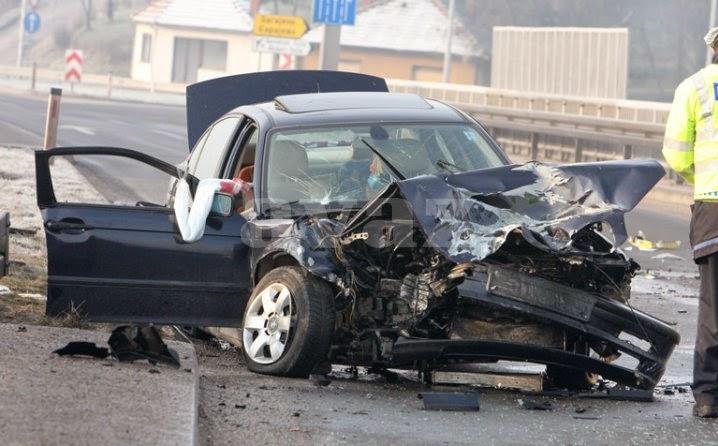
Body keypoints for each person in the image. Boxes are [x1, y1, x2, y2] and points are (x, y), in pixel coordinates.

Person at [662, 27, 718, 418]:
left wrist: (702, 181)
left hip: (713, 208)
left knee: (713, 309)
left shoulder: (695, 87)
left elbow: (677, 153)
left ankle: (708, 397)